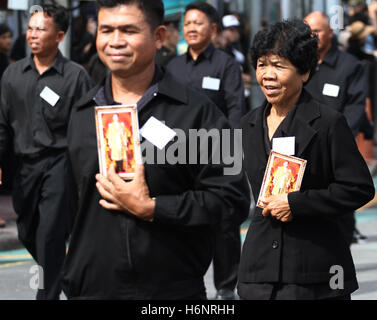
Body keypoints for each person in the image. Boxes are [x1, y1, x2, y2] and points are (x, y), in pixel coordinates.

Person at [61, 0, 250, 300]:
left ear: (159, 36)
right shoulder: (81, 113)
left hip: (170, 292)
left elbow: (233, 200)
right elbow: (72, 206)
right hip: (91, 289)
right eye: (106, 29)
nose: (115, 41)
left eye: (128, 30)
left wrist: (153, 209)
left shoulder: (201, 114)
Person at [238, 19, 374, 300]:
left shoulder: (328, 123)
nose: (268, 75)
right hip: (259, 274)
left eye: (279, 65)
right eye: (262, 64)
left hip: (316, 273)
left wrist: (297, 203)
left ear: (305, 72)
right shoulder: (248, 125)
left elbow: (358, 187)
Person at [0, 4, 91, 300]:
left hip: (60, 165)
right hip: (24, 168)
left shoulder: (75, 76)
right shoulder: (12, 75)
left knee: (51, 233)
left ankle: (47, 296)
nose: (33, 35)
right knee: (27, 231)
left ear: (59, 36)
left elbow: (85, 128)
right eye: (30, 28)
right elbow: (2, 122)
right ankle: (68, 277)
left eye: (41, 29)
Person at [166, 1, 245, 300]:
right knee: (185, 218)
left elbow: (236, 108)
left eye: (197, 23)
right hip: (179, 155)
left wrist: (232, 149)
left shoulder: (226, 65)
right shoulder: (172, 67)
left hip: (218, 152)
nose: (191, 28)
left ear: (212, 29)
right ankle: (185, 282)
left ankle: (226, 286)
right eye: (187, 23)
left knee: (224, 223)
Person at [305, 12, 370, 245]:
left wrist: (337, 137)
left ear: (330, 33)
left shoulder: (350, 66)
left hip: (337, 148)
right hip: (303, 147)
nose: (313, 37)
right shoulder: (299, 65)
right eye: (308, 32)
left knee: (339, 207)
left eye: (318, 31)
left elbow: (356, 106)